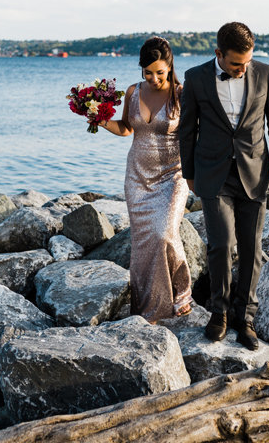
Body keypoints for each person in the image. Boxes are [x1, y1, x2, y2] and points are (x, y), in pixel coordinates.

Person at [179, 22, 269, 350]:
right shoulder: (195, 77)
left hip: (255, 173)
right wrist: (189, 172)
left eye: (247, 62)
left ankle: (246, 319)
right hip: (213, 173)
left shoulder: (265, 73)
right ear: (218, 54)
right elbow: (187, 129)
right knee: (220, 244)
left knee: (252, 249)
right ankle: (219, 314)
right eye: (235, 64)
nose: (243, 69)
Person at [99, 37, 192, 323]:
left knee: (164, 232)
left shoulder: (183, 94)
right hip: (137, 177)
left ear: (170, 66)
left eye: (159, 72)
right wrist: (100, 120)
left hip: (172, 176)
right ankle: (148, 308)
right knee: (143, 243)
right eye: (147, 72)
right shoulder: (132, 92)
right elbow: (127, 128)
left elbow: (194, 135)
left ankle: (181, 292)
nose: (153, 78)